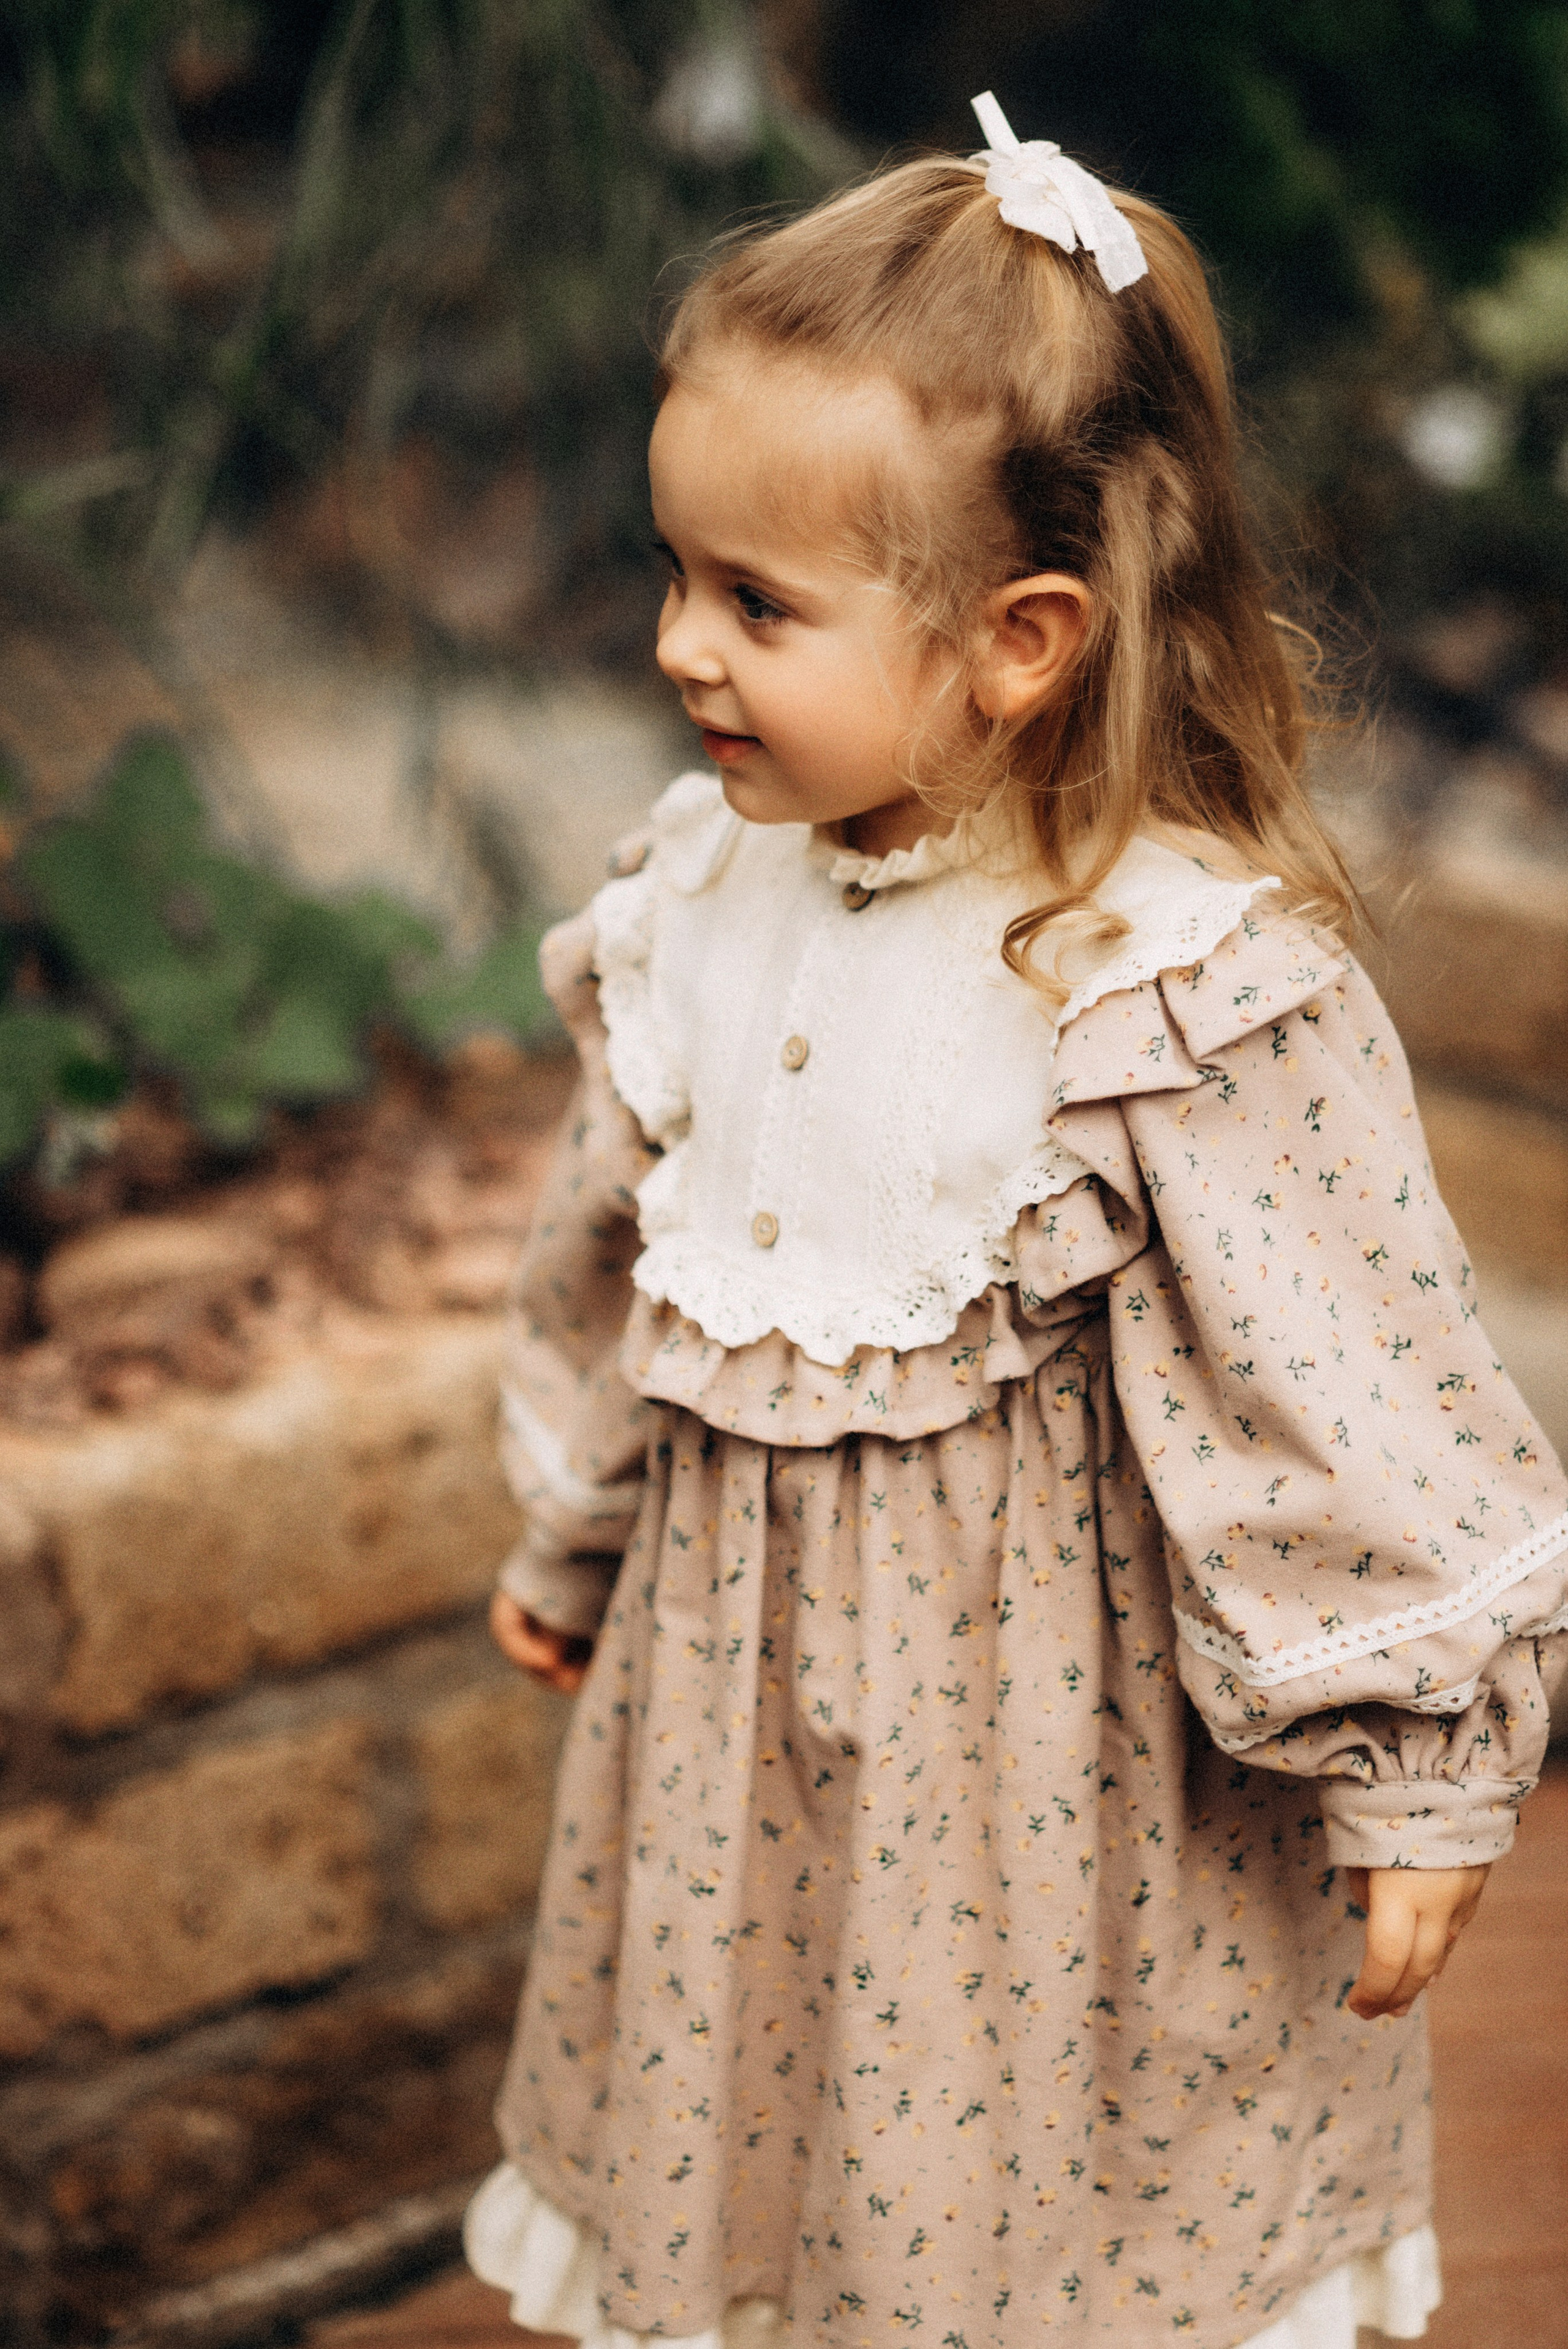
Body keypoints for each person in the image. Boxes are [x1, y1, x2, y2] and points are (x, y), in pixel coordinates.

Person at [464, 96, 1568, 2349]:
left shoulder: (1163, 985)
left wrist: (1425, 1764)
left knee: (1019, 2204)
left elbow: (1346, 1385)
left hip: (1047, 1797)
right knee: (775, 2149)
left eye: (757, 600)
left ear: (1023, 638)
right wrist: (578, 1523)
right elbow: (633, 1252)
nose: (683, 644)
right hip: (743, 1743)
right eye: (676, 572)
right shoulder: (706, 901)